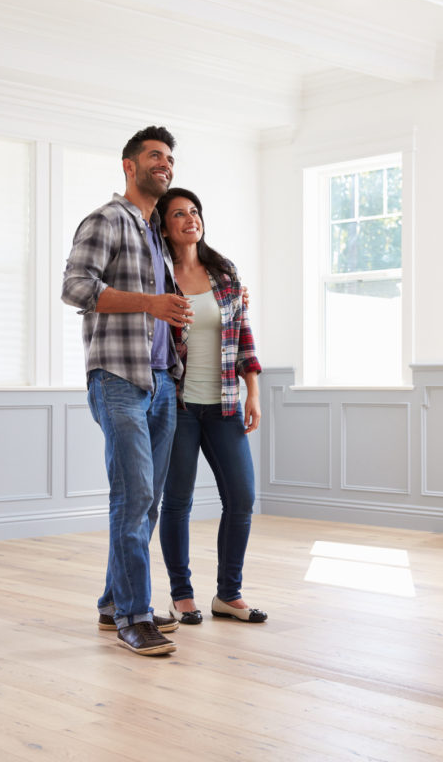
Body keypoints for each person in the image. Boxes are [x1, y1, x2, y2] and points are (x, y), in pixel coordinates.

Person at [61, 126, 195, 656]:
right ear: (128, 165)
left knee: (149, 502)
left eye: (170, 159)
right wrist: (148, 303)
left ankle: (114, 602)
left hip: (162, 382)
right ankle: (135, 618)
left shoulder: (155, 234)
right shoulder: (106, 219)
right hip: (118, 379)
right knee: (133, 497)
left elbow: (184, 280)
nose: (165, 164)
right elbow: (75, 288)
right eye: (155, 157)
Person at [156, 187, 268, 625]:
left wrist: (252, 390)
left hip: (224, 404)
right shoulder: (159, 276)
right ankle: (181, 595)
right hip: (179, 406)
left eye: (195, 212)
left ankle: (228, 594)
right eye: (179, 214)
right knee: (177, 502)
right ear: (164, 226)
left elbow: (243, 334)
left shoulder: (224, 272)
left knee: (241, 498)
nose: (190, 219)